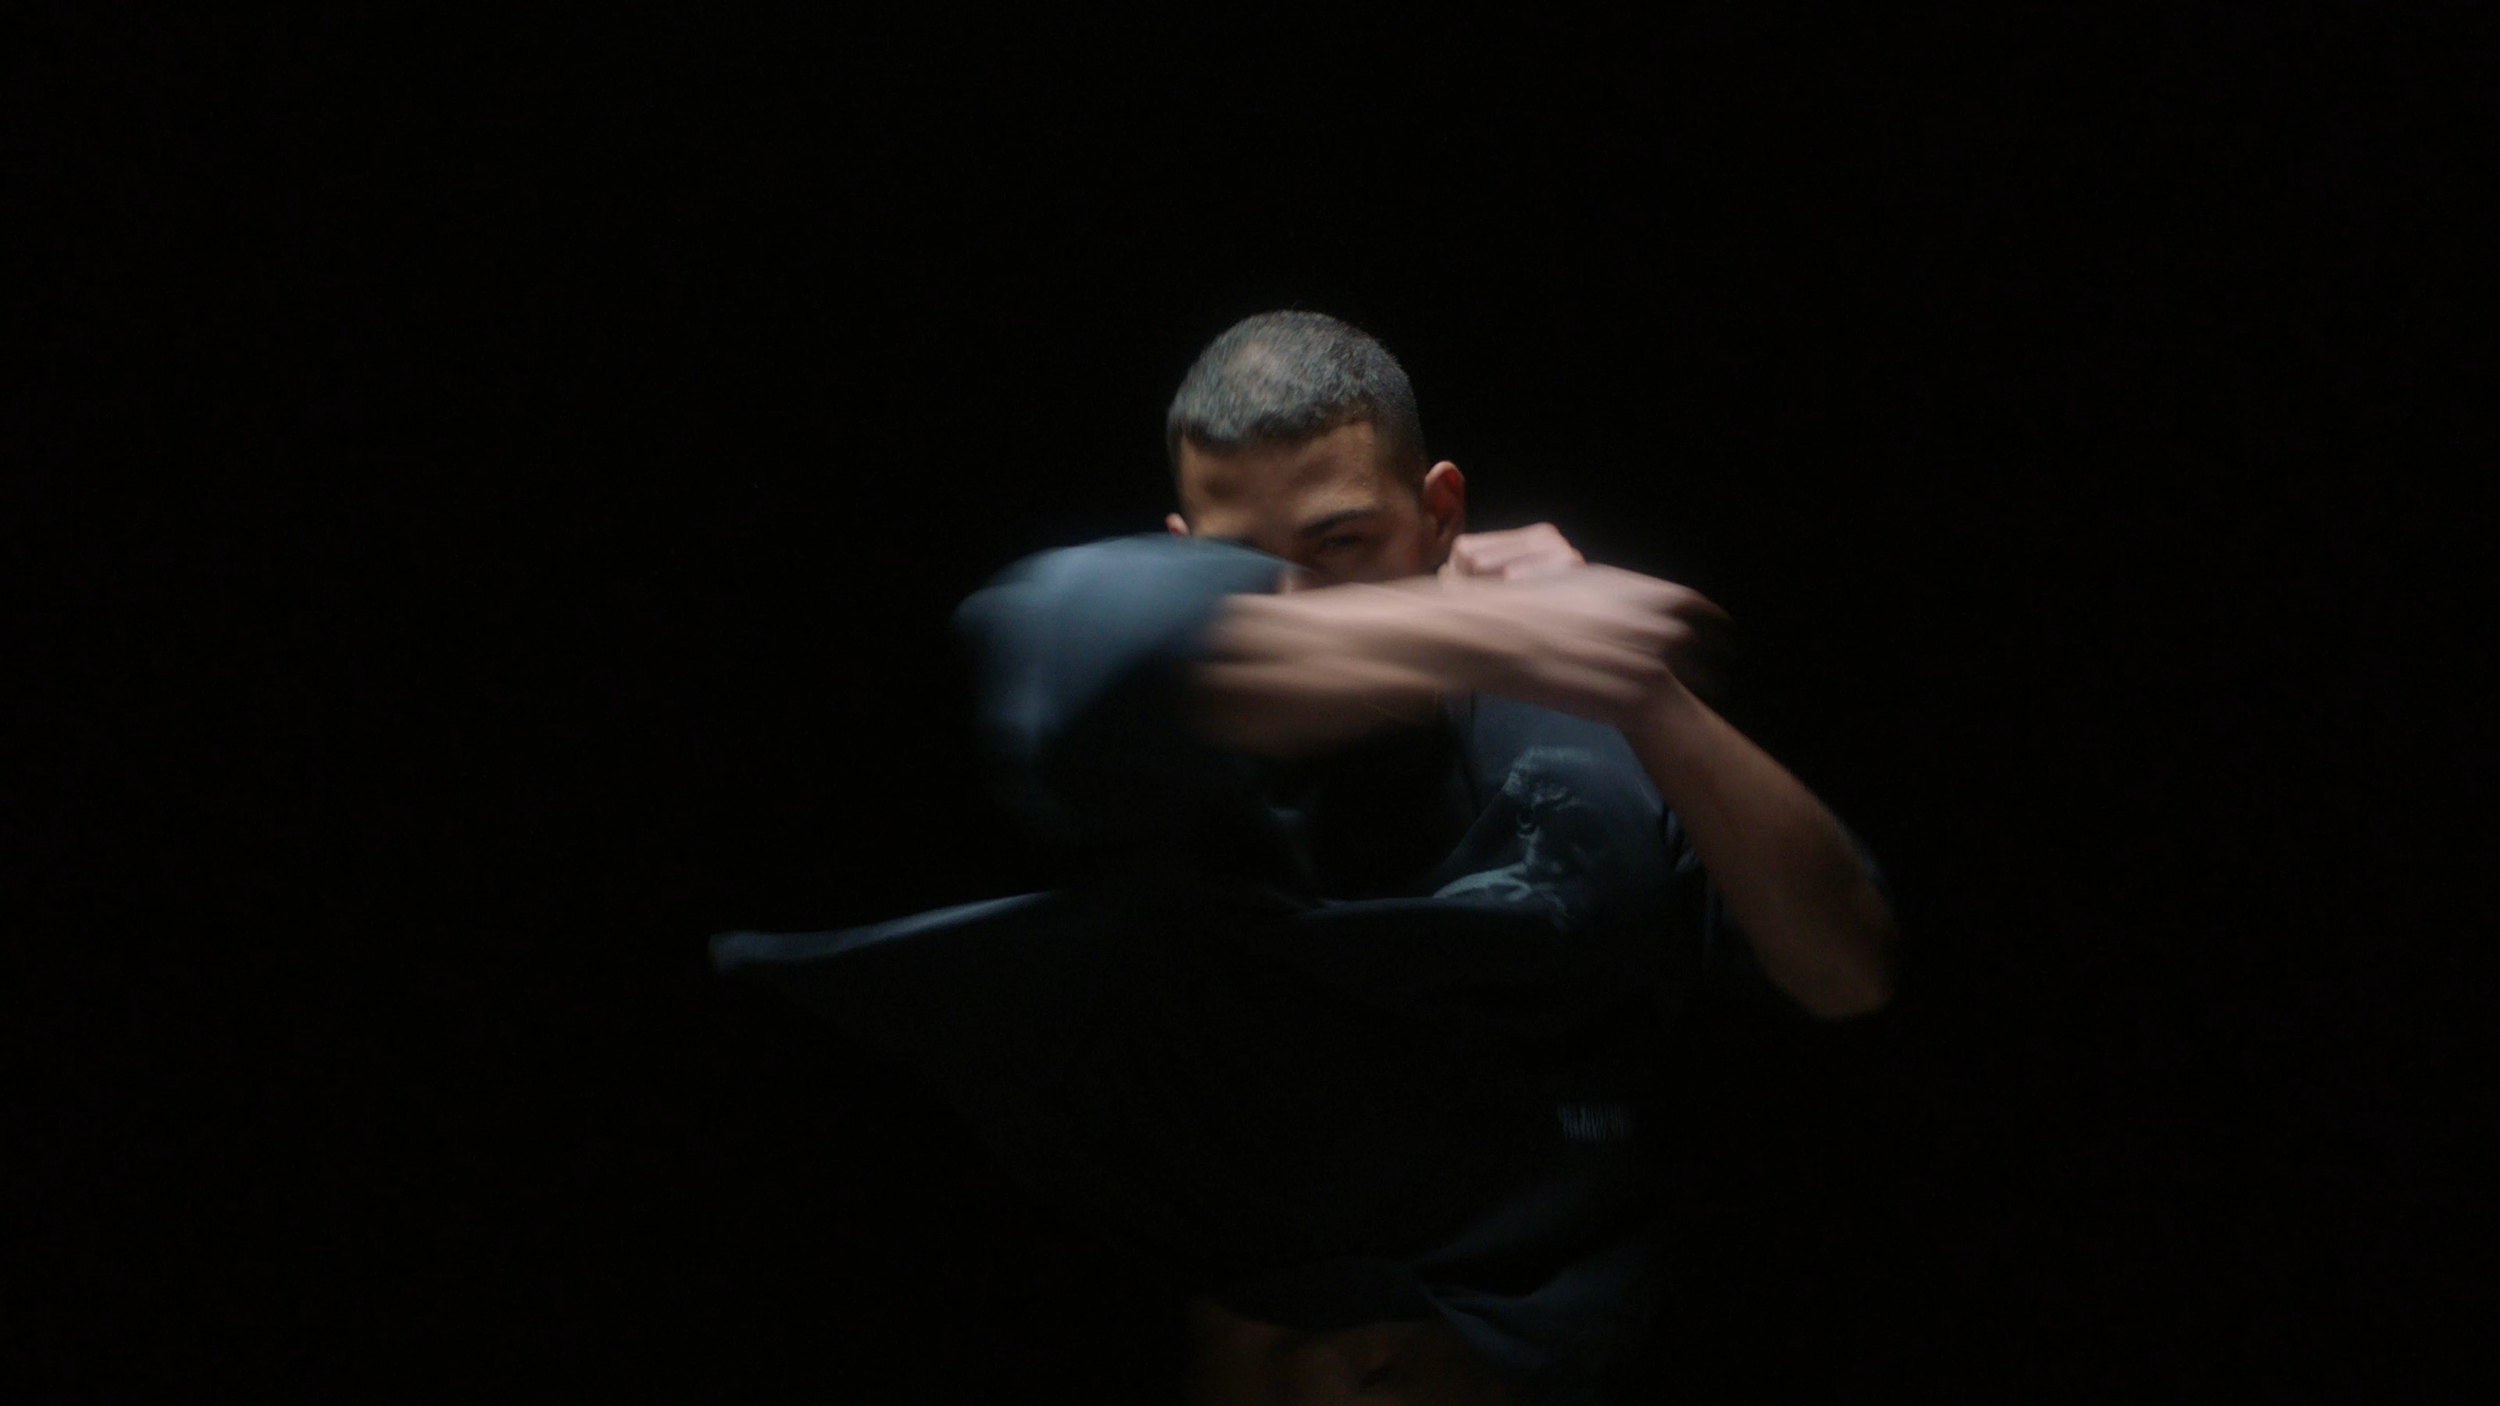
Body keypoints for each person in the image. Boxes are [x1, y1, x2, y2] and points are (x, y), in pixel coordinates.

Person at [712, 311, 1898, 1404]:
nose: (1299, 595)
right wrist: (1483, 624)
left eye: (1341, 541)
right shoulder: (1147, 717)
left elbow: (1846, 969)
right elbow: (1084, 631)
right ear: (1179, 549)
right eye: (1239, 562)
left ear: (1440, 512)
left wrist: (1643, 691)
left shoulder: (1584, 713)